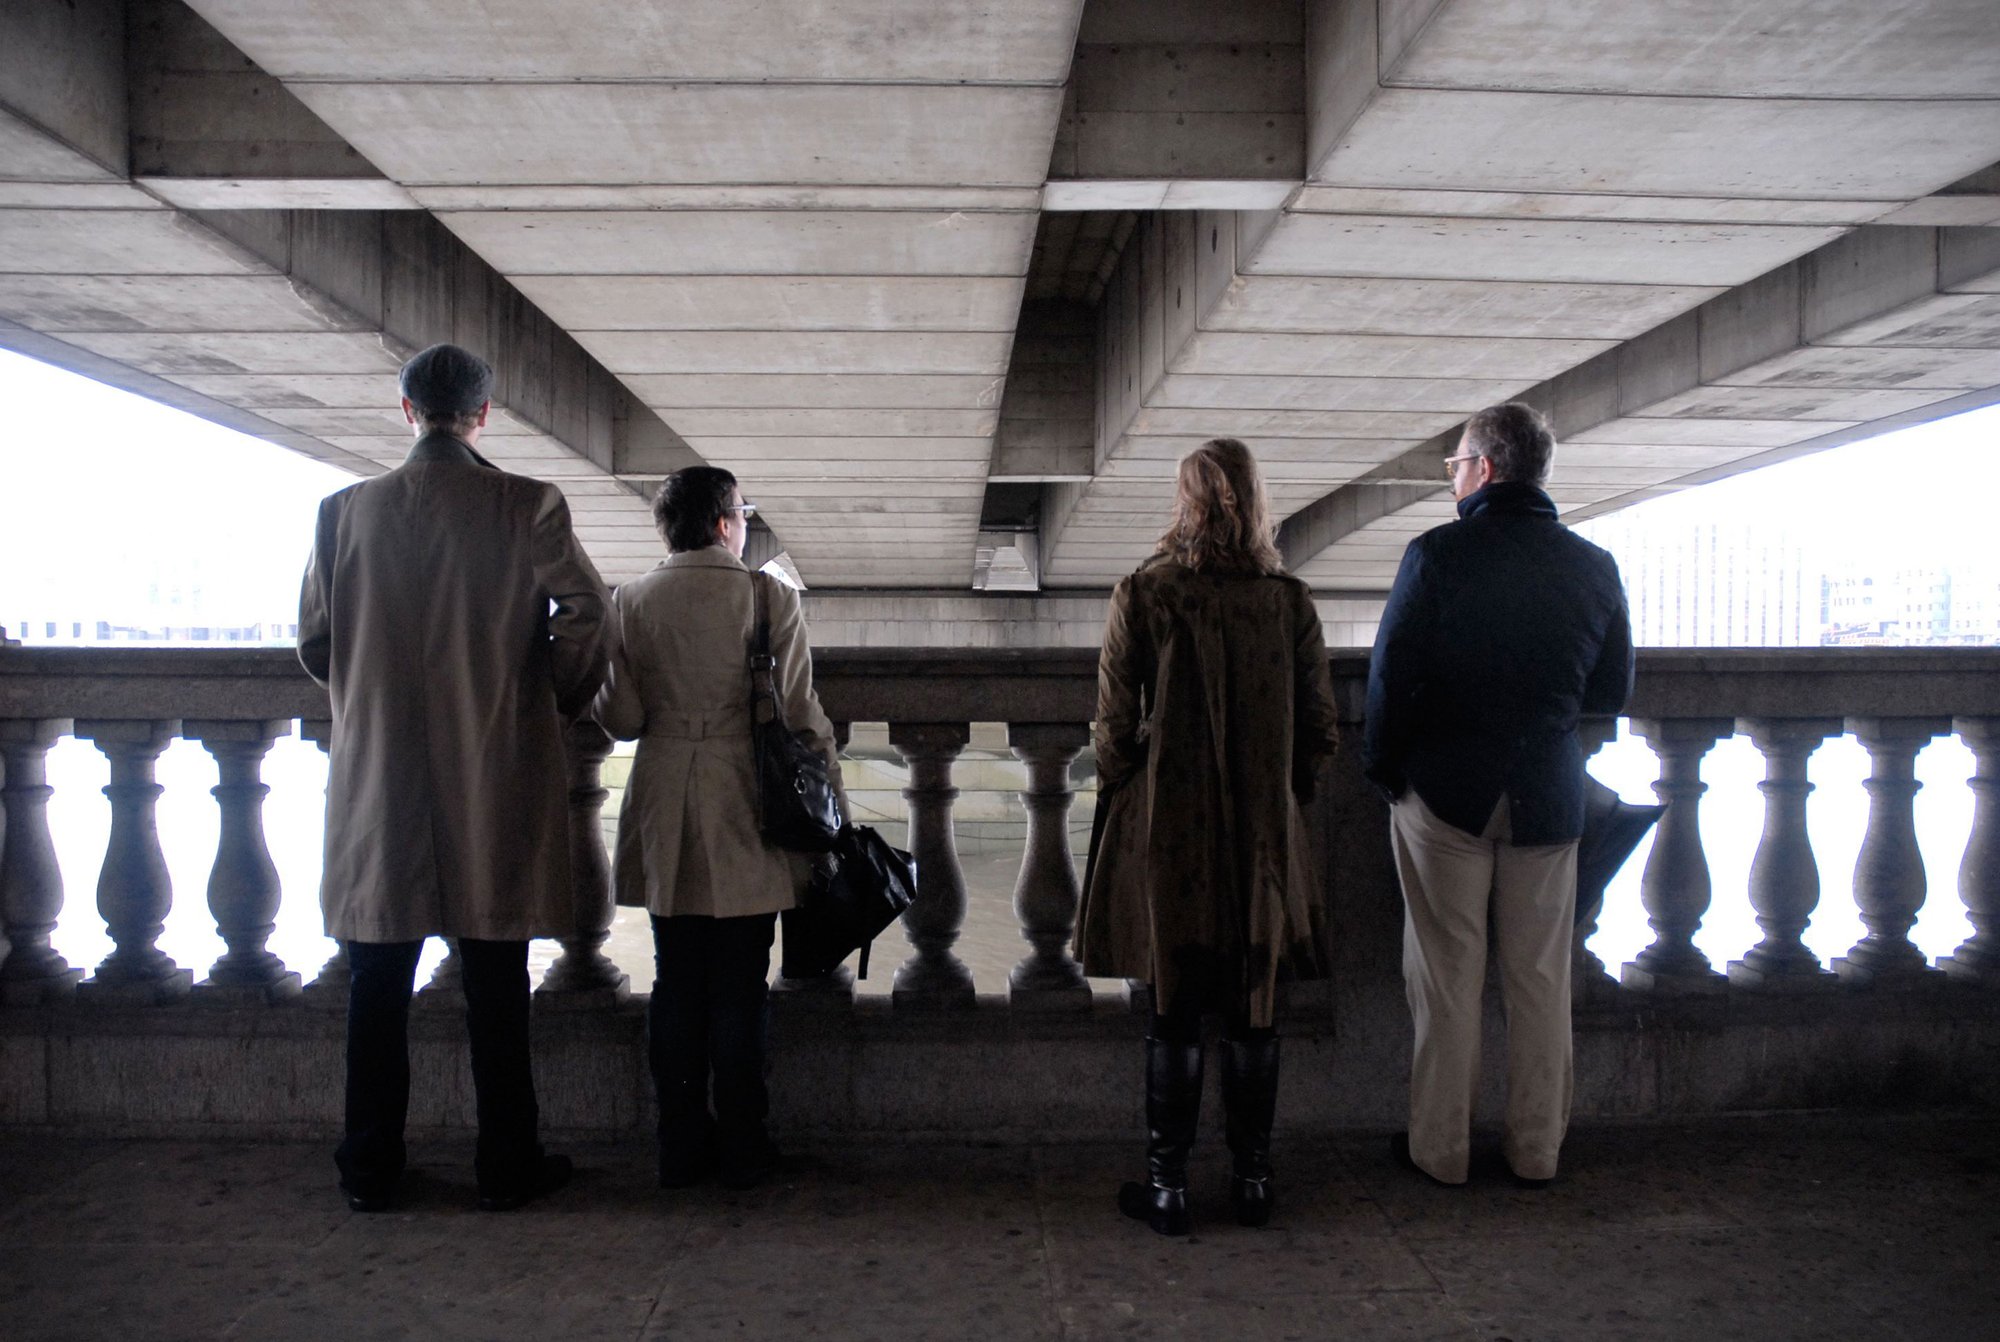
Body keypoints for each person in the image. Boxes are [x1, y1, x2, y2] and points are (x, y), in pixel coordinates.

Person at [298, 343, 613, 1212]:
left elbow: (315, 641)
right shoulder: (526, 504)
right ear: (483, 416)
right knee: (496, 982)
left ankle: (370, 1167)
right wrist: (546, 692)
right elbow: (590, 614)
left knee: (376, 984)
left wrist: (368, 702)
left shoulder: (343, 513)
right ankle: (507, 1165)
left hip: (379, 783)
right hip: (494, 772)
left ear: (407, 411)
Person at [1364, 401, 1633, 1189]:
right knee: (1542, 980)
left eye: (1455, 464)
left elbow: (1391, 681)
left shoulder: (1437, 556)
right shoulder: (1594, 565)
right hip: (1549, 799)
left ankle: (1441, 1153)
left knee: (1447, 975)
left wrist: (1386, 771)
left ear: (1483, 468)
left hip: (1446, 793)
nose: (1454, 478)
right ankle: (1537, 1150)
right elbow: (1610, 692)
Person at [1075, 437, 1341, 1236]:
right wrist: (1274, 795)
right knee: (1255, 1006)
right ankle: (1255, 1182)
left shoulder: (1144, 593)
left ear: (1183, 502)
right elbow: (1320, 731)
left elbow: (1113, 731)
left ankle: (1168, 1187)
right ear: (1257, 501)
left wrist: (1139, 780)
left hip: (1170, 831)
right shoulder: (1289, 601)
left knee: (1174, 1007)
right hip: (1261, 831)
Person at [593, 466, 845, 1191]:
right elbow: (800, 714)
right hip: (747, 798)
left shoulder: (630, 601)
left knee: (676, 980)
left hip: (668, 791)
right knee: (741, 982)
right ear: (726, 523)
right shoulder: (767, 596)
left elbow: (624, 720)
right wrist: (834, 803)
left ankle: (679, 1143)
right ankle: (742, 1142)